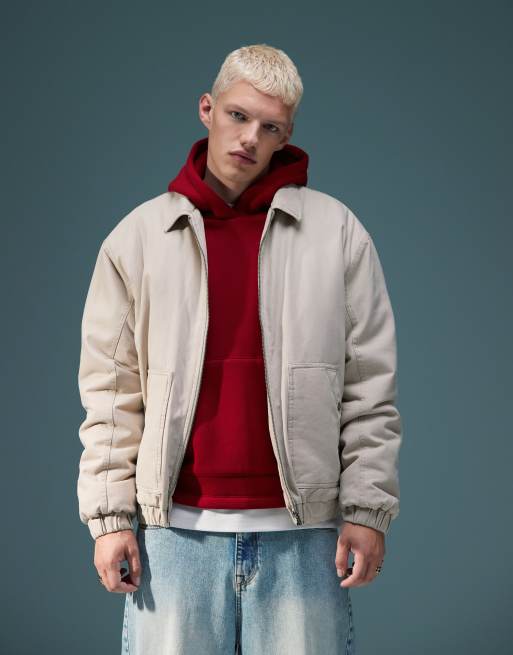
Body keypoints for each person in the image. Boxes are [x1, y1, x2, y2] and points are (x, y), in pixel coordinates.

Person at [77, 43, 402, 654]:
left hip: (305, 538)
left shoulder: (337, 234)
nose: (251, 137)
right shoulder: (138, 239)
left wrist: (367, 510)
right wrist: (110, 519)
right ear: (207, 108)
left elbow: (369, 386)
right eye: (238, 116)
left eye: (270, 127)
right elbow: (113, 393)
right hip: (174, 537)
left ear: (287, 135)